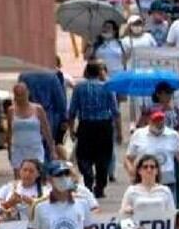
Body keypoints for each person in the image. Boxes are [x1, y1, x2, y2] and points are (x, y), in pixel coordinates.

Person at [68, 61, 123, 198]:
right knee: (103, 157)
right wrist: (119, 132)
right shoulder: (107, 87)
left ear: (86, 73)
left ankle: (88, 178)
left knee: (83, 156)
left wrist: (71, 129)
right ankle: (100, 186)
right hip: (104, 126)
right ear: (99, 73)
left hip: (86, 126)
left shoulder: (79, 88)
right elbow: (115, 111)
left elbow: (72, 111)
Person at [126, 110, 179, 199]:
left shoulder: (173, 135)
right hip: (144, 181)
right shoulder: (138, 134)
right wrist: (132, 171)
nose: (159, 123)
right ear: (149, 121)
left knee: (168, 210)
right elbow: (128, 158)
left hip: (167, 181)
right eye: (155, 120)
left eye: (161, 120)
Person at [19, 70, 68, 161]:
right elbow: (60, 101)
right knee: (47, 147)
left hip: (29, 116)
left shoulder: (24, 76)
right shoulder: (52, 77)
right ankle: (44, 169)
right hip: (49, 117)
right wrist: (64, 118)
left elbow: (19, 98)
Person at [7, 83, 56, 173]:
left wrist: (52, 149)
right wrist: (9, 151)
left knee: (36, 176)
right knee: (19, 179)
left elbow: (46, 130)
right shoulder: (11, 110)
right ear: (14, 96)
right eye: (18, 95)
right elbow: (9, 132)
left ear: (28, 93)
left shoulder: (38, 109)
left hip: (35, 149)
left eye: (23, 94)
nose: (21, 98)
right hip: (18, 149)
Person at [120, 154, 176, 218]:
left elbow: (172, 214)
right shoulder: (131, 190)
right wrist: (127, 211)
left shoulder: (165, 190)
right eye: (145, 167)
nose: (149, 170)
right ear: (139, 171)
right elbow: (122, 213)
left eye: (152, 167)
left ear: (157, 171)